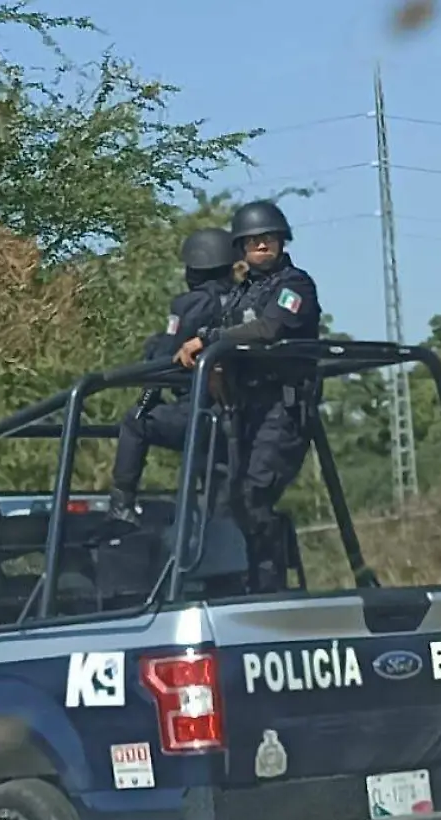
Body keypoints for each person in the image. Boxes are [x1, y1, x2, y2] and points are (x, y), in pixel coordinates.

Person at [172, 199, 324, 593]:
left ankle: (269, 588)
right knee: (228, 501)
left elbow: (269, 330)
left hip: (282, 410)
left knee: (253, 495)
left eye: (268, 238)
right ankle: (238, 584)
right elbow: (225, 330)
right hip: (245, 409)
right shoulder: (241, 294)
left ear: (280, 240)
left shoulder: (295, 286)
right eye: (252, 240)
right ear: (240, 248)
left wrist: (208, 340)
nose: (261, 245)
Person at [107, 226, 239, 520]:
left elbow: (166, 356)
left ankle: (121, 506)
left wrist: (147, 396)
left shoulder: (190, 303)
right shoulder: (246, 302)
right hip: (238, 416)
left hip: (199, 412)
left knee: (134, 423)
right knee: (218, 489)